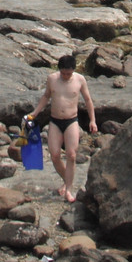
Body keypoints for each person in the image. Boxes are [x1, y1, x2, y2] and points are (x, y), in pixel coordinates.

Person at [28, 55, 97, 202]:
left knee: (71, 155)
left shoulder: (80, 80)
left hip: (72, 121)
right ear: (59, 70)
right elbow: (46, 96)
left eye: (68, 73)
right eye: (63, 73)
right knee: (54, 154)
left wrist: (93, 121)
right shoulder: (52, 79)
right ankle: (66, 180)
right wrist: (35, 113)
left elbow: (88, 100)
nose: (65, 76)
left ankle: (69, 190)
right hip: (55, 121)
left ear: (73, 70)